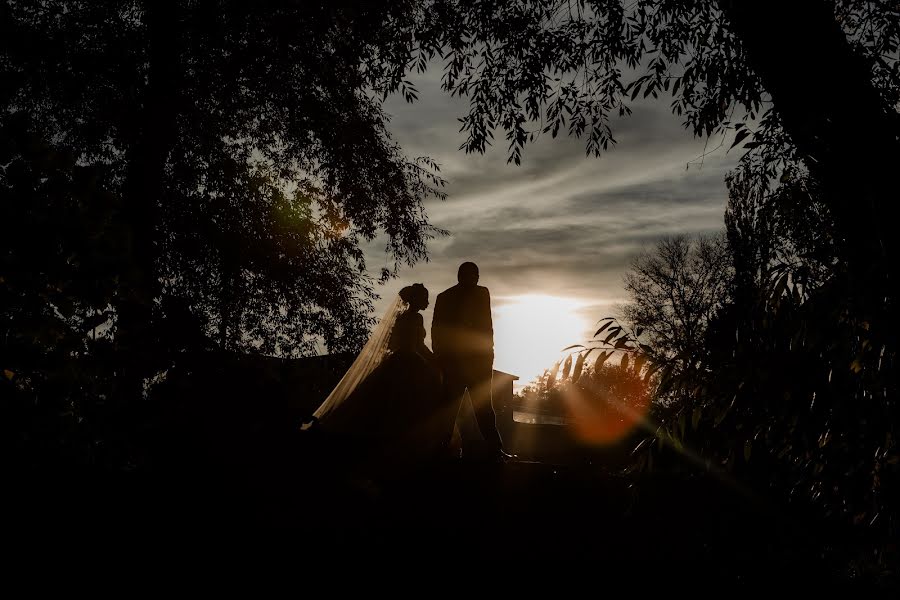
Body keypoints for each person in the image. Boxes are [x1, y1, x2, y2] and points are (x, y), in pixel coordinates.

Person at [306, 283, 445, 482]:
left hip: (407, 360)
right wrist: (430, 361)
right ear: (416, 300)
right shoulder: (413, 317)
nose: (427, 301)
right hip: (407, 364)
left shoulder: (408, 317)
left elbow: (417, 345)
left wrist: (431, 358)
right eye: (425, 297)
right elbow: (412, 347)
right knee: (403, 404)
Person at [432, 262, 507, 461]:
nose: (474, 279)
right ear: (459, 275)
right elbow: (437, 331)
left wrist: (489, 356)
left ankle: (495, 450)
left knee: (484, 408)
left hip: (479, 364)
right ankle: (440, 449)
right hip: (453, 364)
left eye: (476, 275)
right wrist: (440, 358)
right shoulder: (444, 297)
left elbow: (487, 326)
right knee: (449, 409)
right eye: (469, 274)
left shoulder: (483, 294)